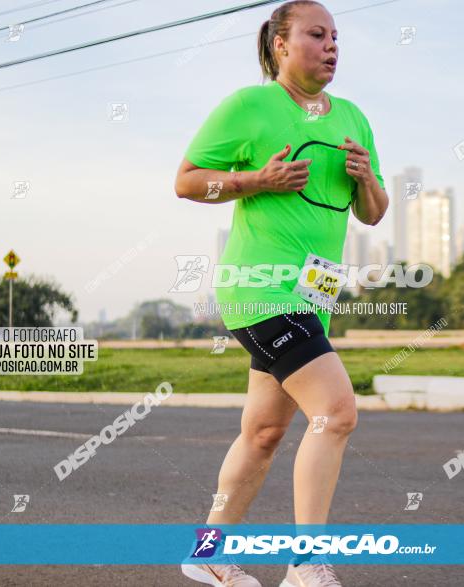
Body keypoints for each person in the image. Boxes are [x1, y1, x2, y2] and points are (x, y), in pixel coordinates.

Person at [175, 2, 388, 585]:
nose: (331, 45)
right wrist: (254, 181)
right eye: (317, 35)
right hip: (260, 289)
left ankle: (209, 554)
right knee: (336, 412)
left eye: (336, 36)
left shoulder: (352, 116)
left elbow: (373, 215)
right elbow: (188, 181)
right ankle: (307, 563)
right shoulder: (249, 105)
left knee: (264, 433)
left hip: (313, 297)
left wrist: (366, 178)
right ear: (279, 45)